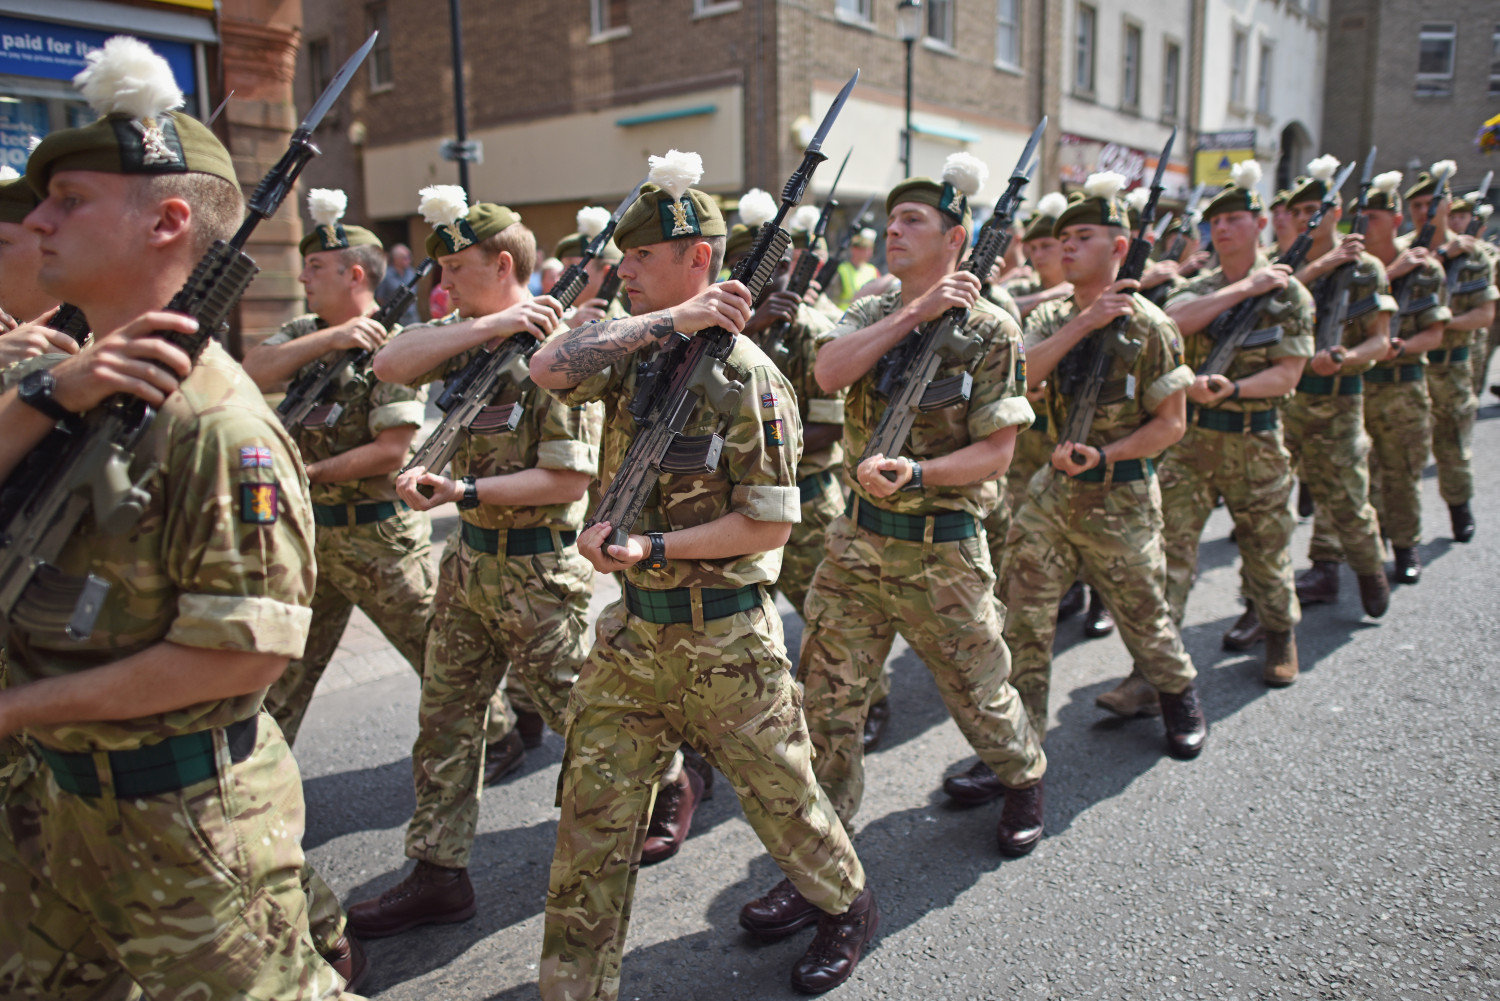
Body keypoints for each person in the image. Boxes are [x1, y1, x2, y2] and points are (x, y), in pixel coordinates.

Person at [0, 36, 360, 998]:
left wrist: (13, 710)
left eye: (68, 200)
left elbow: (238, 656)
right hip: (53, 812)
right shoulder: (51, 387)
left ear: (167, 221)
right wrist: (52, 393)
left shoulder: (220, 425)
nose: (36, 221)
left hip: (181, 831)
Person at [529, 149, 875, 1000]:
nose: (625, 271)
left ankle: (845, 903)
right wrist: (668, 321)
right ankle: (573, 985)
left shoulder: (752, 379)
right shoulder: (641, 349)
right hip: (632, 636)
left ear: (700, 259)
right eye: (625, 256)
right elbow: (548, 365)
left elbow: (768, 521)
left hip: (725, 635)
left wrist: (649, 549)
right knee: (591, 819)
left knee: (783, 800)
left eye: (642, 258)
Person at [344, 186, 599, 938]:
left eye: (458, 265)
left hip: (539, 573)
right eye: (441, 267)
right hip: (468, 565)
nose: (444, 281)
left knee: (580, 717)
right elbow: (390, 362)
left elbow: (570, 478)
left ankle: (668, 784)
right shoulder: (467, 332)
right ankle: (438, 871)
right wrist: (486, 323)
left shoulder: (558, 349)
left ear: (503, 260)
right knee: (447, 719)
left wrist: (463, 487)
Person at [790, 152, 1048, 857]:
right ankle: (824, 849)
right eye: (891, 219)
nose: (893, 230)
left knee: (979, 690)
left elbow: (996, 453)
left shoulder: (994, 330)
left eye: (913, 220)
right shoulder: (873, 309)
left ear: (955, 238)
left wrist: (919, 472)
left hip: (943, 544)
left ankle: (1022, 777)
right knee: (827, 699)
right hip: (856, 542)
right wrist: (916, 313)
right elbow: (829, 369)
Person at [999, 170, 1205, 757]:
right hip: (1052, 494)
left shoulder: (1151, 325)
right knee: (1024, 621)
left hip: (1121, 495)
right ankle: (1020, 747)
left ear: (1120, 247)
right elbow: (1022, 377)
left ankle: (1178, 694)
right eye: (1062, 238)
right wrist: (1085, 321)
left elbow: (1171, 423)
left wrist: (1107, 454)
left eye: (1082, 236)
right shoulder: (1051, 315)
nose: (1066, 247)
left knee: (1145, 617)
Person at [242, 188, 445, 745]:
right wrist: (331, 337)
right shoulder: (306, 334)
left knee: (435, 654)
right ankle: (259, 763)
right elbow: (251, 371)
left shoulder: (396, 348)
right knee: (287, 667)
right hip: (312, 538)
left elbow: (390, 450)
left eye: (315, 267)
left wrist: (306, 474)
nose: (303, 278)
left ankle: (497, 734)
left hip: (377, 535)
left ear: (354, 275)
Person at [1156, 159, 1313, 686]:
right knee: (1170, 553)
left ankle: (1279, 634)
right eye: (1214, 221)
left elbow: (1288, 374)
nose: (1221, 228)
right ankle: (1153, 665)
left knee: (1265, 547)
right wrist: (1246, 289)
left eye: (1234, 219)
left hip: (1255, 439)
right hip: (1193, 440)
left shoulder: (1290, 293)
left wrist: (1236, 388)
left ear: (1259, 224)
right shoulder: (1197, 286)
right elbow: (1172, 322)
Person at [1313, 169, 1450, 585]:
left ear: (1395, 221)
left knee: (1400, 471)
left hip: (1400, 386)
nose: (1365, 224)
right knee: (1338, 477)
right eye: (1362, 216)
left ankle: (1405, 546)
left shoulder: (1425, 269)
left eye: (1374, 216)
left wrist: (1403, 347)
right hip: (1351, 387)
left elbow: (1435, 331)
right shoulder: (1340, 269)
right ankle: (1326, 562)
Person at [1285, 172, 1398, 618]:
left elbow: (1381, 341)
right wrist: (1320, 266)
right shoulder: (1288, 266)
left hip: (1338, 397)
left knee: (1348, 499)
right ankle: (1277, 594)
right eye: (1296, 213)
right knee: (1273, 501)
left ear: (1334, 213)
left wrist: (1345, 357)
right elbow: (1279, 294)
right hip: (1289, 401)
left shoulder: (1366, 269)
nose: (1303, 219)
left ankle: (1370, 571)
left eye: (1312, 210)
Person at [1421, 188, 1497, 542]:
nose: (1427, 212)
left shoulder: (1475, 256)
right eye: (1418, 206)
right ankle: (1399, 531)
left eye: (1432, 206)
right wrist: (1438, 255)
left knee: (1452, 445)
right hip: (1409, 369)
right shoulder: (1410, 250)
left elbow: (1483, 315)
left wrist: (1437, 323)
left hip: (1451, 365)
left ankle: (1459, 508)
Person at [828, 226, 880, 310]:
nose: (869, 253)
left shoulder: (873, 271)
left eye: (870, 249)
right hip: (842, 315)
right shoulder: (842, 269)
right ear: (854, 249)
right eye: (865, 249)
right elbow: (832, 297)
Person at [374, 241, 421, 326]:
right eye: (405, 257)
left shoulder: (411, 272)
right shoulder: (386, 275)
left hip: (412, 316)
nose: (409, 260)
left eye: (409, 257)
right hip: (395, 320)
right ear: (396, 259)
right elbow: (379, 298)